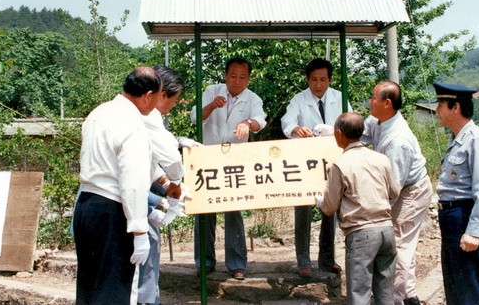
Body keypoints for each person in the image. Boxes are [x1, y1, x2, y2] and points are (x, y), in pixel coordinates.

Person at [73, 66, 162, 305]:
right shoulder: (132, 124)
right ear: (146, 96)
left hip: (86, 206)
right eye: (156, 98)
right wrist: (140, 230)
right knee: (113, 289)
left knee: (88, 286)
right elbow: (132, 183)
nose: (155, 107)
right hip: (112, 211)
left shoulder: (99, 112)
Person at [190, 57, 267, 280]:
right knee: (205, 210)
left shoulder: (253, 98)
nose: (237, 81)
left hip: (235, 160)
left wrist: (247, 123)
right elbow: (196, 117)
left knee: (234, 211)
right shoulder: (212, 91)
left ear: (248, 78)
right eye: (233, 76)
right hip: (208, 157)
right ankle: (204, 262)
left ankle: (236, 264)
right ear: (225, 76)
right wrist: (212, 106)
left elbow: (260, 120)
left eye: (243, 77)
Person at [316, 112, 401, 305]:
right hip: (386, 232)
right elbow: (395, 192)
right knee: (385, 293)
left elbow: (329, 207)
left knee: (359, 293)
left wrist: (320, 201)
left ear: (338, 134)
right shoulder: (381, 159)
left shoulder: (339, 164)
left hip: (361, 234)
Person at [361, 81, 433, 305]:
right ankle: (409, 294)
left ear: (387, 103)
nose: (369, 102)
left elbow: (394, 187)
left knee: (398, 245)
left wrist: (374, 213)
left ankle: (394, 299)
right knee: (403, 243)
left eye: (373, 98)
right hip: (399, 187)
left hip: (410, 191)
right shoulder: (378, 120)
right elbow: (359, 137)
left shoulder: (398, 141)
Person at [280, 58, 350, 278]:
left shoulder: (340, 97)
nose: (318, 84)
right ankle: (303, 260)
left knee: (330, 209)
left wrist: (333, 129)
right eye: (313, 80)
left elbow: (352, 122)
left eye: (322, 79)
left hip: (332, 161)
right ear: (307, 79)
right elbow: (286, 123)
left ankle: (327, 259)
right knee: (304, 209)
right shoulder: (299, 100)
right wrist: (297, 129)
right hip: (305, 163)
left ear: (329, 79)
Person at [433, 82, 479, 305]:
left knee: (469, 290)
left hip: (465, 217)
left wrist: (475, 231)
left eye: (441, 105)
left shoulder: (477, 140)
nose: (437, 111)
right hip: (452, 219)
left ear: (456, 108)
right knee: (454, 288)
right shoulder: (456, 139)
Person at [138, 65, 195, 305]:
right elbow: (169, 157)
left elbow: (149, 160)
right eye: (175, 99)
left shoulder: (129, 112)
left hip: (127, 197)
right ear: (162, 94)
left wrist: (164, 184)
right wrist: (174, 185)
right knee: (147, 242)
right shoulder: (148, 115)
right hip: (121, 200)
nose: (173, 105)